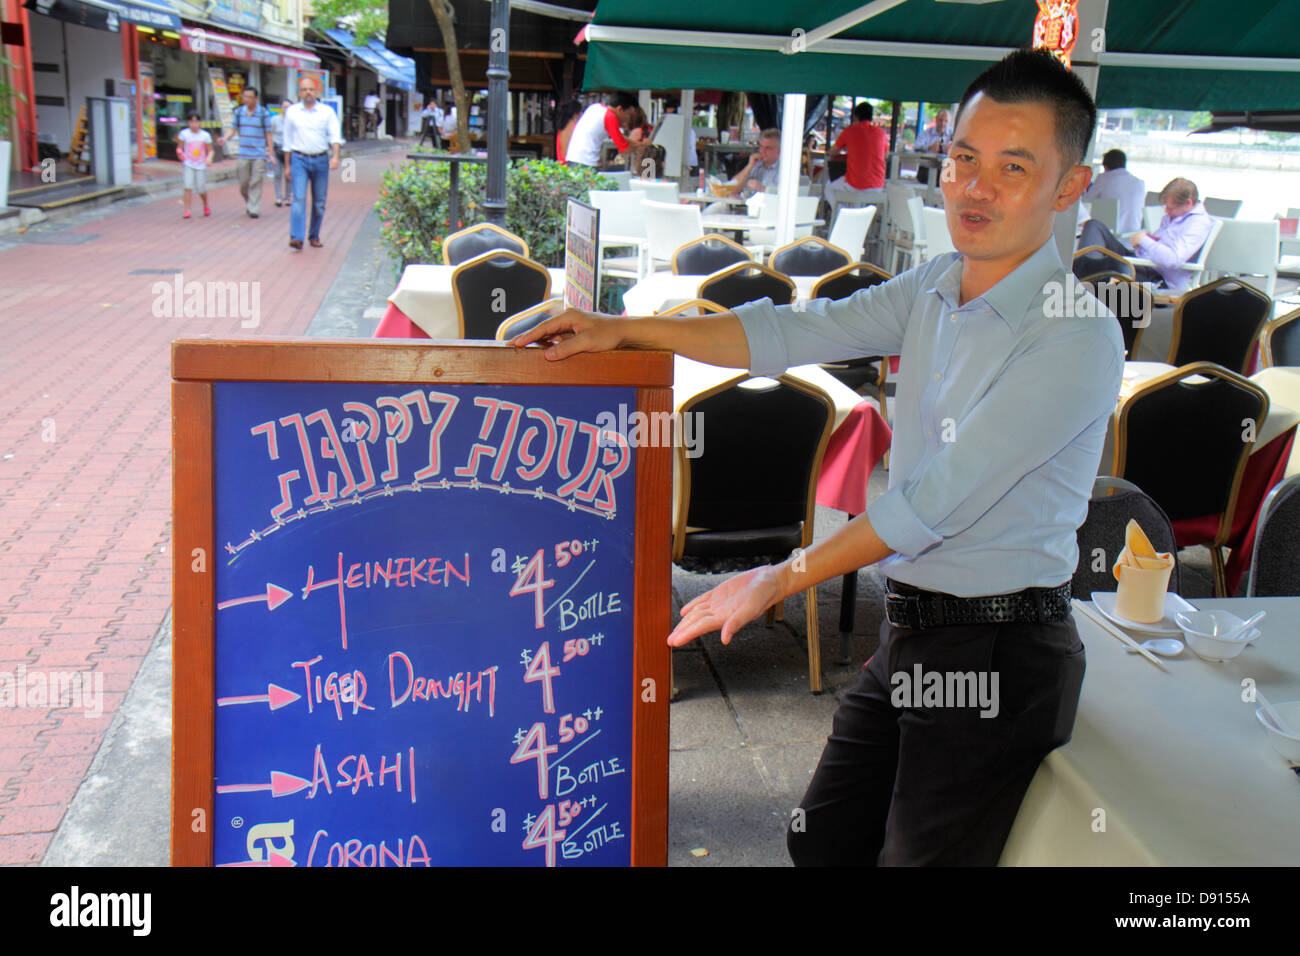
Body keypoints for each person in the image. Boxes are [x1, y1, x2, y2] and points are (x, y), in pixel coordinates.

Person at [512, 48, 1122, 866]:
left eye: (1013, 167)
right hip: (914, 627)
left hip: (999, 650)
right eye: (963, 159)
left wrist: (779, 576)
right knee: (825, 841)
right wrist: (623, 328)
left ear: (1069, 186)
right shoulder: (938, 283)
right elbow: (787, 332)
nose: (976, 188)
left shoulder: (1075, 331)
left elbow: (930, 504)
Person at [1078, 177, 1212, 292]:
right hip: (1141, 262)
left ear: (1188, 203)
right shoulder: (1174, 217)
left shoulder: (1197, 223)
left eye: (1170, 208)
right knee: (1093, 225)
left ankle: (1079, 282)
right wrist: (1144, 241)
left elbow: (1173, 259)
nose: (1166, 211)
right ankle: (1081, 278)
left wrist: (1144, 240)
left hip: (1156, 277)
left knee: (1105, 264)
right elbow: (1156, 246)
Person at [282, 76, 343, 250]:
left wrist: (336, 157)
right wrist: (287, 166)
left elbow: (335, 135)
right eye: (304, 89)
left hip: (321, 159)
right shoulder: (292, 112)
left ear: (316, 92)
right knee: (299, 198)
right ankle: (297, 237)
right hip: (299, 159)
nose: (308, 92)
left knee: (319, 201)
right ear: (299, 93)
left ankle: (314, 235)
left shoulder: (327, 112)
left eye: (311, 89)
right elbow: (287, 140)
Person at [218, 86, 274, 219]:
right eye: (245, 97)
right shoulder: (238, 112)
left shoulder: (263, 113)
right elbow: (233, 130)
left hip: (259, 154)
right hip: (243, 153)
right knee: (243, 183)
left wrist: (270, 151)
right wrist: (224, 138)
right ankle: (250, 202)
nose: (246, 99)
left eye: (249, 97)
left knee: (256, 181)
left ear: (256, 98)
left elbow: (268, 133)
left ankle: (254, 208)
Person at [827, 102, 889, 217]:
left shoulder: (849, 131)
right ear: (871, 117)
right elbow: (885, 155)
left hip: (855, 185)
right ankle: (855, 218)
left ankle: (844, 216)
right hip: (878, 186)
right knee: (848, 187)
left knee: (829, 189)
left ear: (855, 117)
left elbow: (832, 152)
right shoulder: (881, 133)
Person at [564, 92, 642, 168]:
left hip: (574, 159)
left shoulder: (596, 107)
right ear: (620, 109)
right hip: (585, 162)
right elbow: (625, 150)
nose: (628, 118)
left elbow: (621, 137)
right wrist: (643, 146)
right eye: (628, 114)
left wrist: (639, 144)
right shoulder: (610, 117)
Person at [1082, 149, 1145, 234]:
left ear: (1105, 167)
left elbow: (1086, 201)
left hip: (1109, 236)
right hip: (1133, 236)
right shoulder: (1140, 183)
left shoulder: (1104, 178)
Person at [176, 110, 213, 219]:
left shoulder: (205, 135)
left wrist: (209, 158)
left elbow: (210, 150)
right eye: (191, 122)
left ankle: (205, 205)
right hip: (188, 163)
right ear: (188, 122)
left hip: (201, 165)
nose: (194, 124)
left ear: (200, 122)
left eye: (196, 122)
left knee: (201, 188)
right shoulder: (184, 134)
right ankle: (187, 210)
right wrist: (180, 154)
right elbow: (180, 147)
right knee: (187, 186)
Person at [269, 99, 292, 208]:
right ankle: (278, 197)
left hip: (290, 151)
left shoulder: (294, 121)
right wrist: (270, 152)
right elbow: (270, 135)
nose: (286, 109)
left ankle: (288, 197)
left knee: (289, 175)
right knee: (277, 174)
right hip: (277, 149)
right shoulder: (275, 120)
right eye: (284, 107)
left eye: (288, 107)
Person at [554, 99, 582, 164]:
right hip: (569, 165)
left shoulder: (564, 125)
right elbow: (565, 152)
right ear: (575, 114)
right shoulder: (571, 126)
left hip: (563, 164)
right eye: (581, 112)